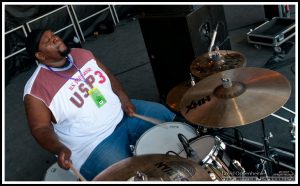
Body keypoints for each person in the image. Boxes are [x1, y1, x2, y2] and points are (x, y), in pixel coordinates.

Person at [23, 29, 176, 181]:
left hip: (122, 113)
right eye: (48, 41)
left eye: (54, 35)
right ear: (40, 55)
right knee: (127, 176)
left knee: (168, 121)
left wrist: (123, 98)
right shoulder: (36, 90)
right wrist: (59, 148)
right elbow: (40, 128)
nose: (55, 39)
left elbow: (108, 75)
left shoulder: (81, 54)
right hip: (92, 144)